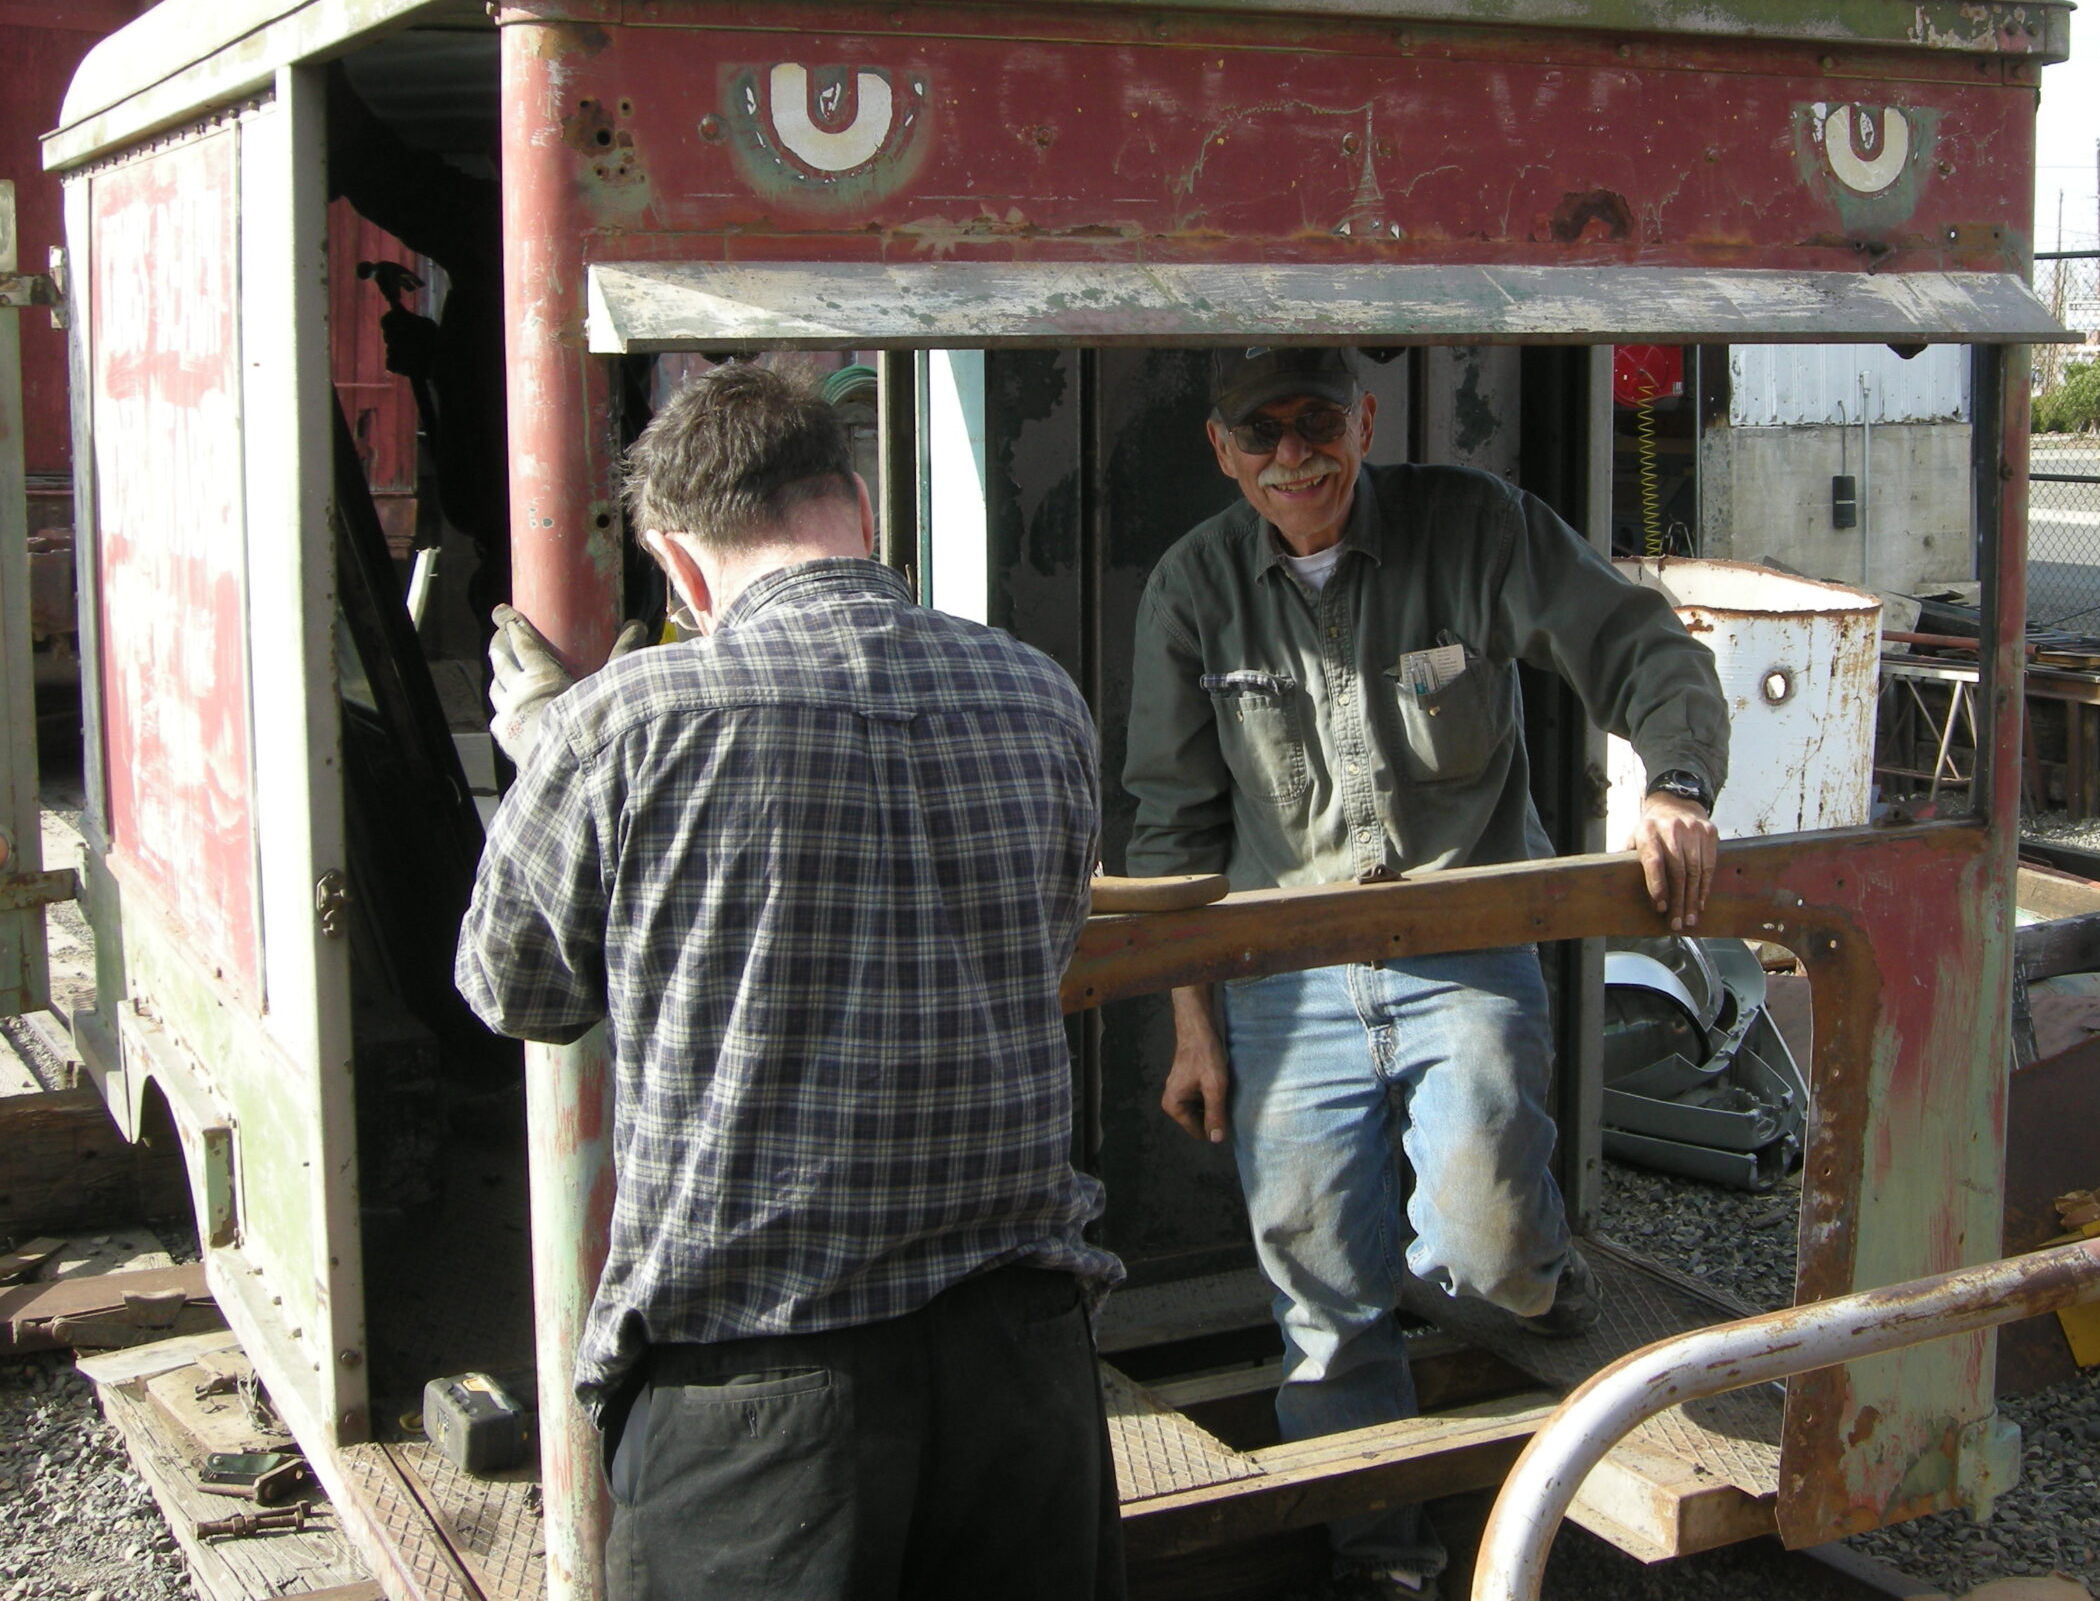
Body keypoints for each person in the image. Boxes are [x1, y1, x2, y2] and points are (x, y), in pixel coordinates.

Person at [458, 364, 1125, 1601]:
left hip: (761, 1401)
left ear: (680, 563)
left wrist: (549, 752)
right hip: (1023, 1369)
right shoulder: (1043, 697)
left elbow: (518, 992)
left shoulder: (619, 724)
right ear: (859, 509)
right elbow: (1045, 939)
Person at [1122, 346, 1726, 1599]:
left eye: (1316, 423)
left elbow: (1640, 647)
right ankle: (1381, 1563)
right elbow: (1170, 832)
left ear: (1365, 420)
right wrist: (1194, 1026)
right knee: (1323, 1301)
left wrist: (1674, 787)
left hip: (1461, 955)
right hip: (1281, 984)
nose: (1295, 456)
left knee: (1485, 1250)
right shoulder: (1191, 591)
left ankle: (1539, 1287)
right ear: (1222, 451)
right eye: (1262, 434)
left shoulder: (1477, 529)